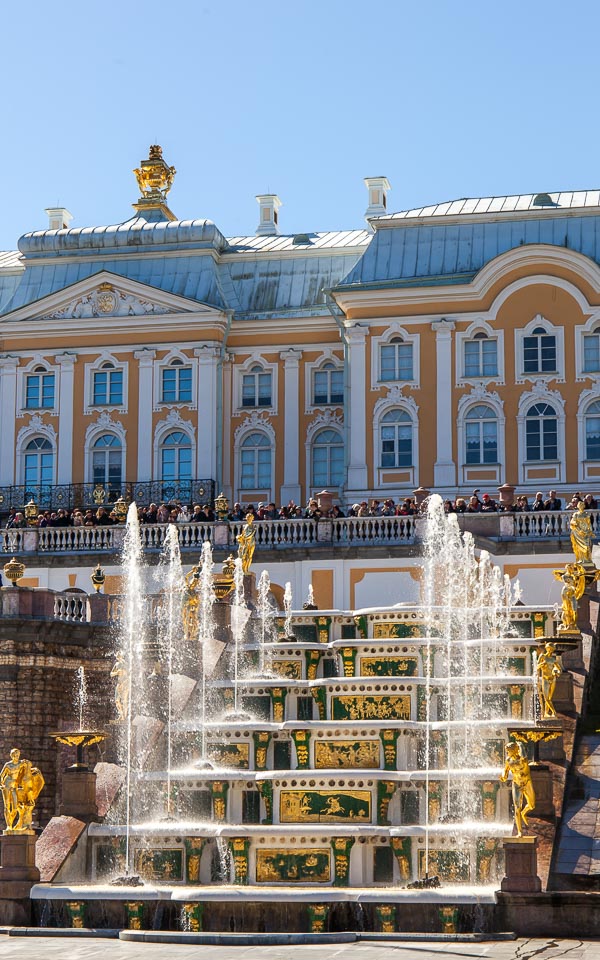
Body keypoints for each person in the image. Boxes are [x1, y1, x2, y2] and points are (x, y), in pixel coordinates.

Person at [0, 748, 44, 833]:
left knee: (15, 807)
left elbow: (28, 769)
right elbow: (1, 776)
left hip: (14, 787)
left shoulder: (21, 763)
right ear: (11, 756)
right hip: (7, 785)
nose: (16, 757)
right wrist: (1, 785)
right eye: (14, 755)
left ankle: (13, 824)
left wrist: (34, 770)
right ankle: (9, 826)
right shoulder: (8, 765)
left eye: (17, 755)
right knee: (7, 806)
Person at [499, 742, 535, 837]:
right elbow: (505, 770)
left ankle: (524, 813)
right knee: (517, 807)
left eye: (508, 750)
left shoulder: (522, 759)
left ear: (514, 750)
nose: (507, 752)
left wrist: (521, 745)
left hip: (527, 783)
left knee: (532, 805)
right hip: (516, 784)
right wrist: (503, 776)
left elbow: (524, 757)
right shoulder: (508, 760)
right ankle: (519, 832)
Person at [535, 642, 562, 719]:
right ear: (546, 648)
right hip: (545, 679)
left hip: (553, 679)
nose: (550, 650)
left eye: (552, 649)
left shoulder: (553, 659)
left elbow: (559, 669)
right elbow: (537, 667)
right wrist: (542, 664)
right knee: (546, 698)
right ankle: (554, 712)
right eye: (549, 649)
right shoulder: (542, 656)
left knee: (550, 698)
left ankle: (546, 713)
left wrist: (557, 672)